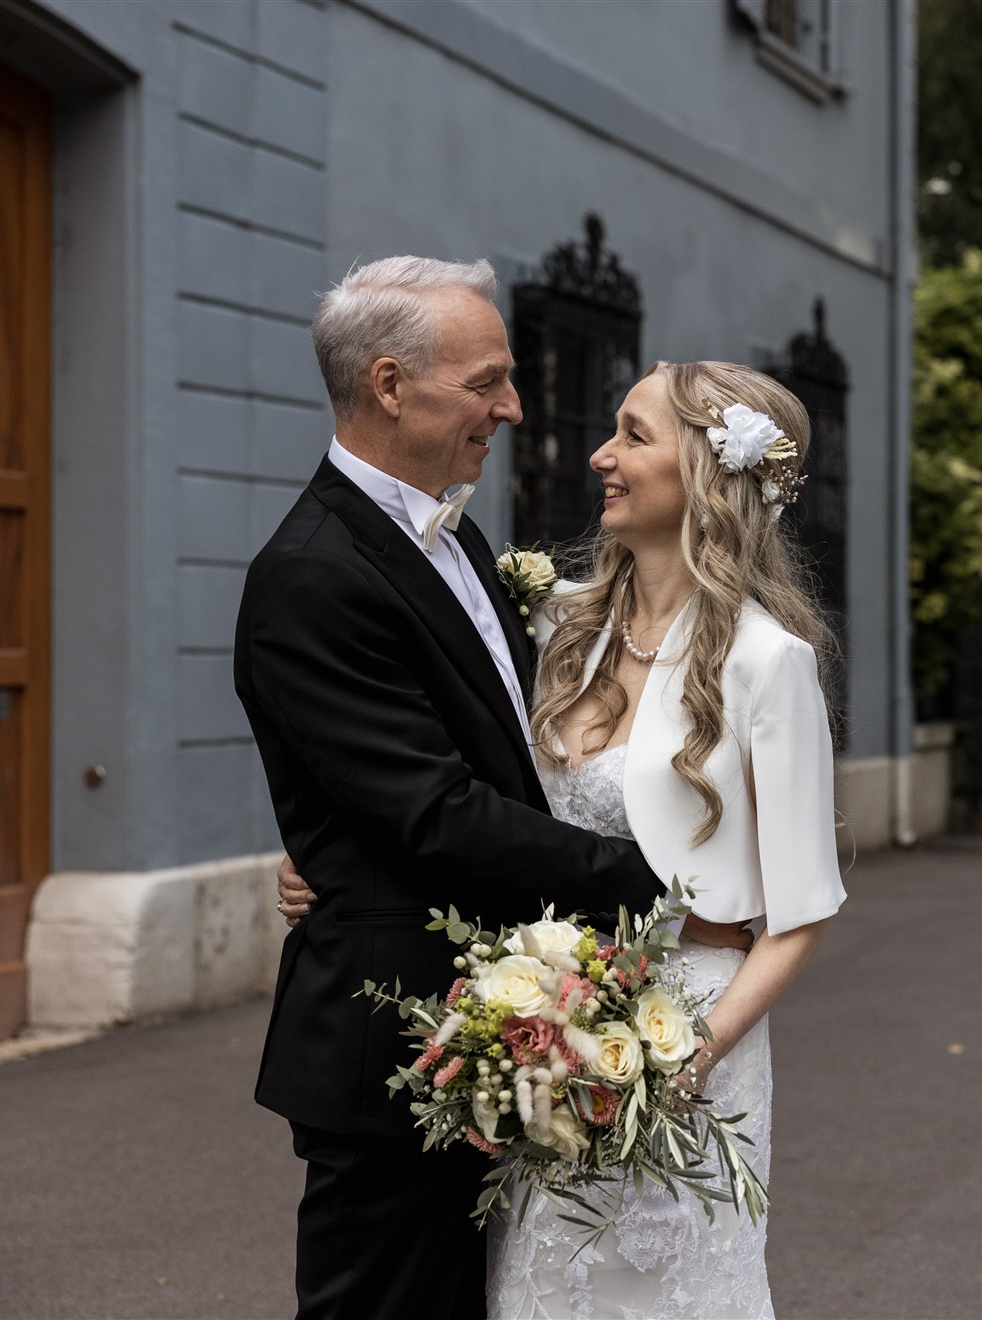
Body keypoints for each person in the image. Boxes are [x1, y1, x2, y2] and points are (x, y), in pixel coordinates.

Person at [238, 256, 754, 1320]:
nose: (511, 407)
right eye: (488, 382)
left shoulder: (453, 534)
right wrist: (659, 885)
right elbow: (432, 811)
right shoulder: (312, 572)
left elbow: (494, 759)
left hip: (509, 1029)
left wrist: (332, 839)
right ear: (389, 385)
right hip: (399, 1049)